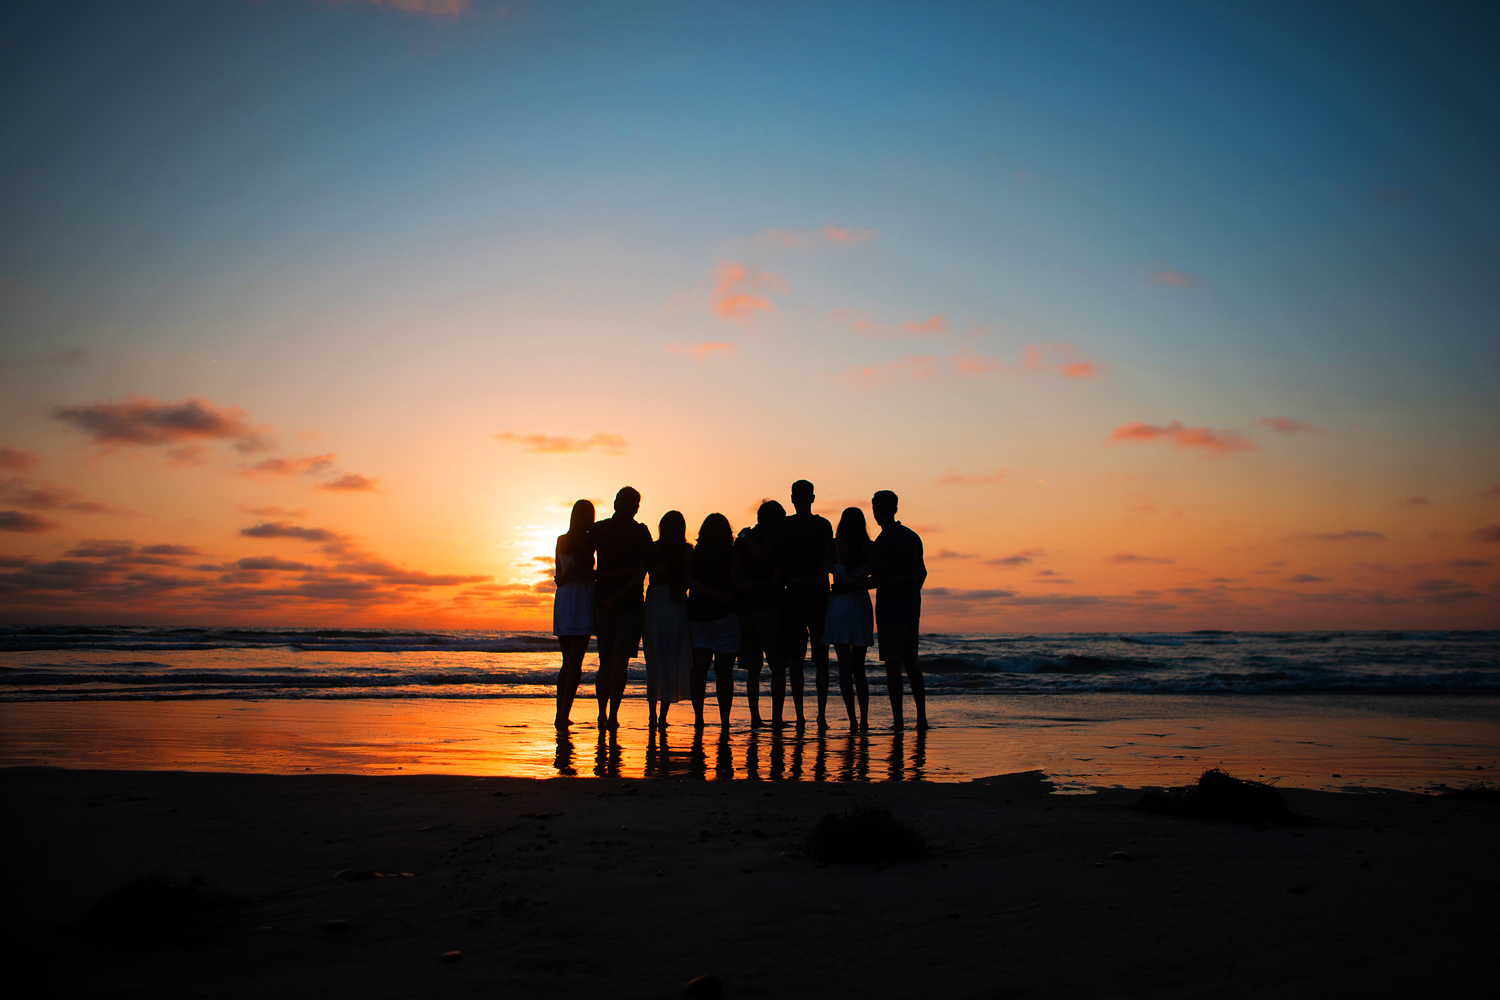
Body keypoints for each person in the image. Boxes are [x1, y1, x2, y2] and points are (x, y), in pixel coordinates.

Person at [589, 486, 653, 729]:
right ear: (635, 508)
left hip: (604, 602)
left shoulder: (600, 529)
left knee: (605, 661)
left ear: (616, 504)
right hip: (629, 604)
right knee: (618, 663)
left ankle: (602, 714)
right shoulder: (640, 532)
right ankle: (612, 715)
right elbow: (644, 571)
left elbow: (586, 570)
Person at [777, 479, 833, 728]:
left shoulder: (786, 526)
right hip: (819, 596)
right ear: (812, 498)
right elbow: (827, 563)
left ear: (792, 498)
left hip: (794, 596)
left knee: (796, 660)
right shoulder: (823, 525)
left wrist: (790, 581)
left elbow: (779, 561)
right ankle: (820, 715)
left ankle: (800, 715)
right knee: (821, 659)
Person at [870, 489, 928, 730]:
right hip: (911, 605)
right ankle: (921, 718)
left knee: (893, 666)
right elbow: (922, 573)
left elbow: (881, 578)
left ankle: (899, 721)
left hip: (891, 608)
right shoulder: (912, 536)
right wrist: (911, 586)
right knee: (910, 662)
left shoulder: (883, 541)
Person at [734, 500, 785, 727]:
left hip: (746, 608)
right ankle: (776, 717)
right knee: (777, 667)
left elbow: (736, 572)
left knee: (753, 668)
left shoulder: (744, 539)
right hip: (771, 606)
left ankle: (755, 717)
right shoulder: (777, 539)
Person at [824, 506, 874, 731]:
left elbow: (822, 573)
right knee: (859, 668)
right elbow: (877, 578)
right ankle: (863, 719)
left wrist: (841, 585)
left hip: (840, 606)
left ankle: (853, 720)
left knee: (845, 667)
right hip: (860, 606)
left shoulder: (834, 546)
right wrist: (856, 584)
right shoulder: (868, 547)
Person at [688, 512, 739, 729]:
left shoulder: (695, 554)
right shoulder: (732, 553)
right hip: (725, 616)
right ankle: (725, 721)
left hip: (698, 616)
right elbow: (737, 581)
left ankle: (699, 718)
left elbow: (688, 581)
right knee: (724, 672)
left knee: (699, 669)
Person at [642, 510, 693, 728]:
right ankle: (662, 716)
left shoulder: (654, 548)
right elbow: (688, 580)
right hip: (676, 603)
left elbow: (641, 574)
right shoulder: (686, 550)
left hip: (654, 602)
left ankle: (653, 715)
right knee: (671, 658)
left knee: (653, 659)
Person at [552, 499, 595, 728]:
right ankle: (563, 714)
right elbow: (584, 573)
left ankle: (560, 713)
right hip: (581, 600)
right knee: (575, 663)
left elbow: (558, 575)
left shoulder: (561, 540)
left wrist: (565, 578)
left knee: (566, 662)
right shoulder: (588, 542)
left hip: (564, 601)